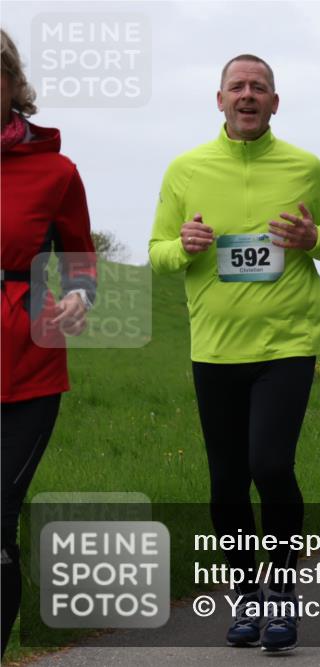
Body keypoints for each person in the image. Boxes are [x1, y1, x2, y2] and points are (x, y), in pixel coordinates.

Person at [149, 54, 320, 652]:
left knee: (270, 465)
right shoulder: (186, 169)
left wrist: (314, 238)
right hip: (214, 347)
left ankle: (283, 594)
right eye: (237, 86)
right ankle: (246, 597)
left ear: (274, 103)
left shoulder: (305, 166)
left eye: (259, 87)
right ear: (219, 100)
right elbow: (157, 250)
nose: (248, 95)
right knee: (226, 483)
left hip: (288, 343)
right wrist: (182, 246)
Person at [1, 29, 97, 656]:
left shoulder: (56, 170)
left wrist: (79, 297)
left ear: (12, 82)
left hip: (26, 368)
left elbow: (82, 261)